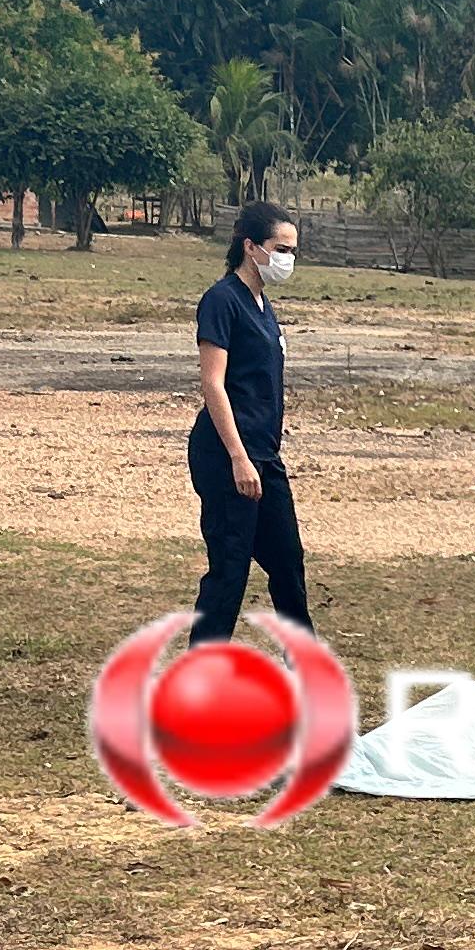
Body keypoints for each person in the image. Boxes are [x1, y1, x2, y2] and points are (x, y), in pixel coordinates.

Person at [192, 204, 308, 638]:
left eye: (294, 251)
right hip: (227, 456)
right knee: (230, 570)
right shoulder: (222, 301)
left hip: (266, 455)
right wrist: (239, 458)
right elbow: (214, 385)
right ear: (250, 246)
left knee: (287, 564)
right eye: (281, 248)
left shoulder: (263, 305)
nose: (288, 259)